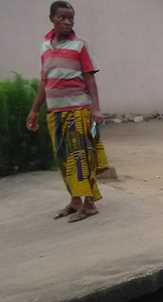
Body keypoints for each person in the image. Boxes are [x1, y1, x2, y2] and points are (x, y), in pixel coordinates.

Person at [25, 1, 109, 223]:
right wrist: (34, 111)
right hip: (55, 112)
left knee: (82, 158)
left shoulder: (80, 46)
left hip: (78, 110)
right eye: (63, 17)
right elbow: (45, 82)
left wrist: (96, 109)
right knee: (63, 158)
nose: (68, 21)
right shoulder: (45, 46)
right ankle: (75, 201)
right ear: (52, 18)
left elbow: (90, 79)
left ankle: (89, 203)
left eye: (71, 17)